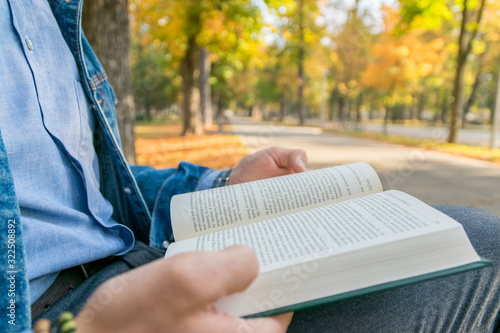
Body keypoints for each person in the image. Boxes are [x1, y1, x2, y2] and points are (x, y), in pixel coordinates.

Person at [0, 1, 499, 333]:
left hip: (133, 260)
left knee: (481, 240)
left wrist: (220, 186)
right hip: (50, 313)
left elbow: (85, 194)